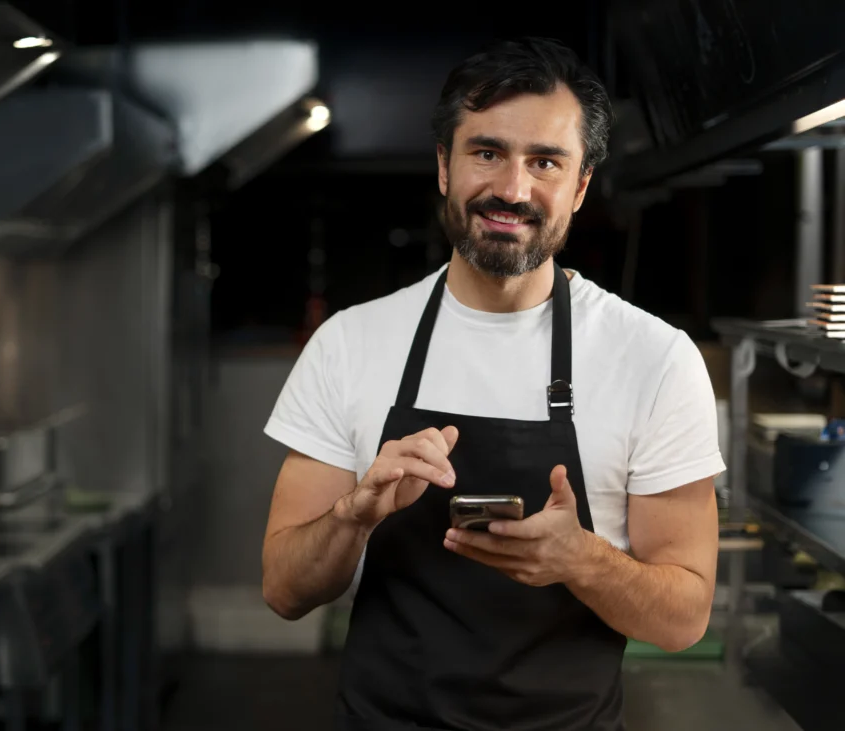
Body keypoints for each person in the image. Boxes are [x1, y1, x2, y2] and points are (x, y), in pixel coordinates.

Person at [260, 36, 723, 731]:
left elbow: (684, 616)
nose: (512, 188)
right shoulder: (350, 345)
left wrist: (580, 558)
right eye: (487, 152)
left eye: (545, 161)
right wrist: (356, 512)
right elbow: (283, 589)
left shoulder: (655, 359)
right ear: (444, 165)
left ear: (582, 184)